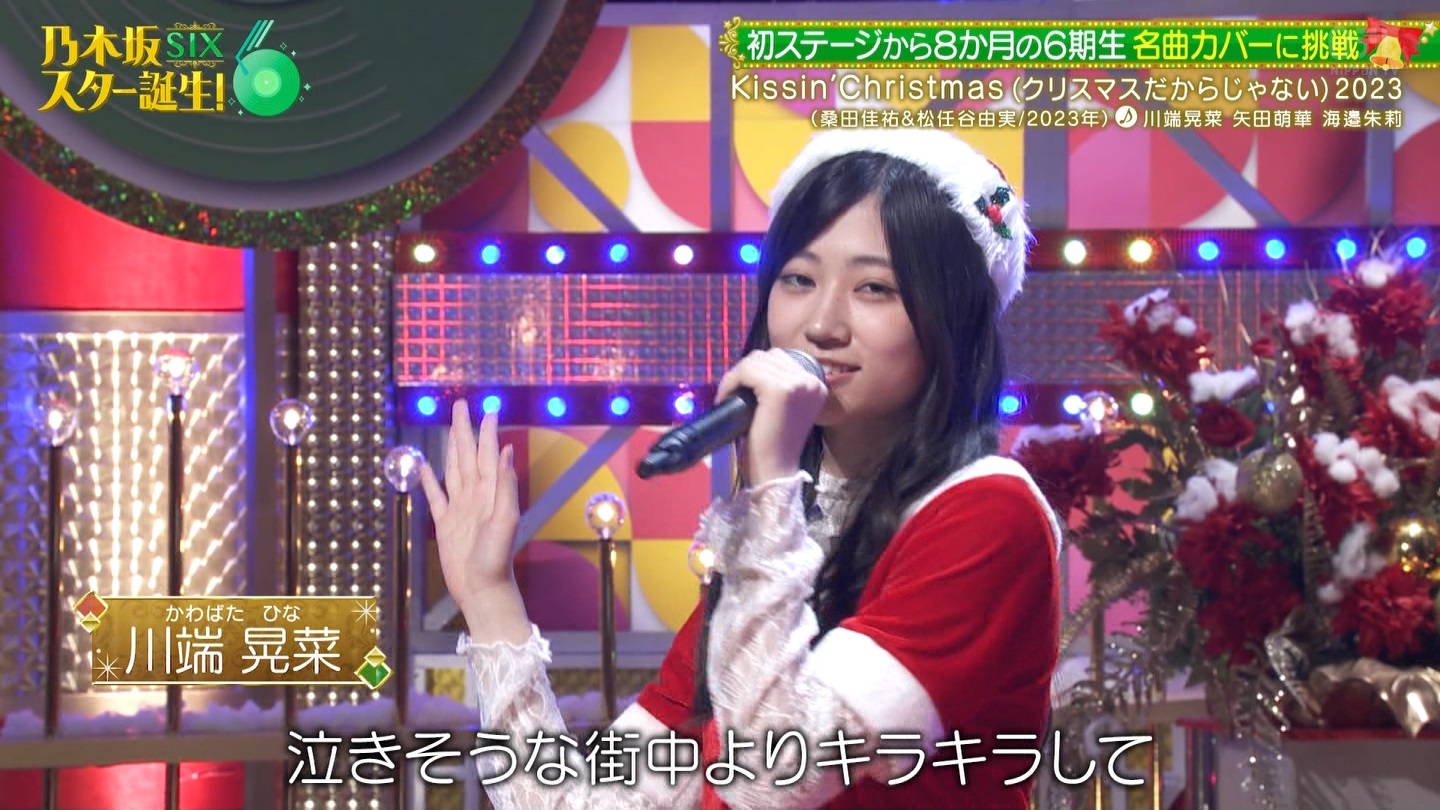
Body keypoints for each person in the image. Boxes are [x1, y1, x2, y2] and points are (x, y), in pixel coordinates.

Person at [420, 128, 1062, 809]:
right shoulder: (782, 543)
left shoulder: (987, 515)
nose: (822, 323)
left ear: (951, 321)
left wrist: (769, 483)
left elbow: (770, 777)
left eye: (875, 287)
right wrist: (488, 596)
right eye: (798, 279)